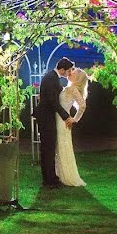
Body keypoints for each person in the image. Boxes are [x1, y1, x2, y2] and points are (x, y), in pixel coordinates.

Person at [37, 57, 75, 188]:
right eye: (68, 71)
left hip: (47, 116)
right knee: (48, 148)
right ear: (62, 69)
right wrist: (66, 116)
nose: (69, 73)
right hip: (46, 117)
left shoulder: (52, 77)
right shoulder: (51, 78)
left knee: (48, 148)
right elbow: (53, 102)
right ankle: (50, 180)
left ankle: (50, 178)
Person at [56, 67, 89, 186]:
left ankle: (65, 175)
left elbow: (82, 106)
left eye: (74, 72)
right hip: (59, 119)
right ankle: (59, 173)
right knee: (61, 146)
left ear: (77, 77)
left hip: (62, 121)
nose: (71, 72)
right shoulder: (70, 88)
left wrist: (74, 119)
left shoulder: (73, 89)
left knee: (62, 146)